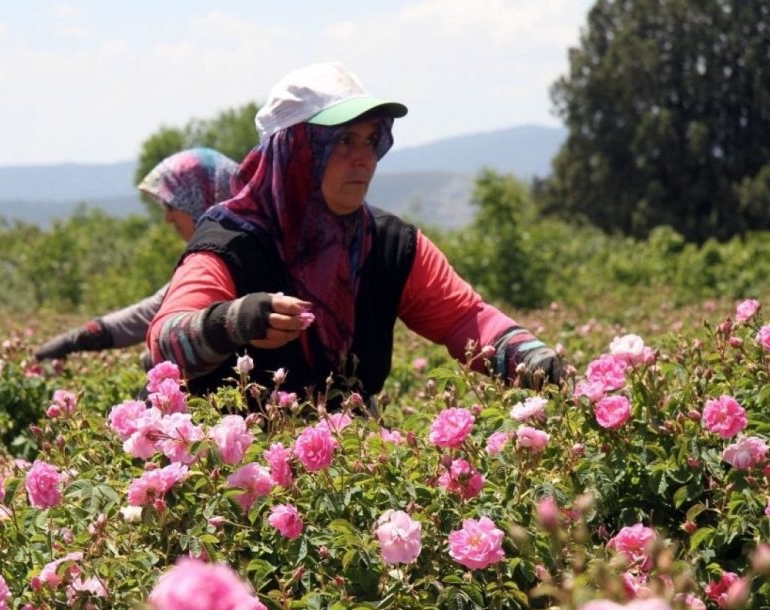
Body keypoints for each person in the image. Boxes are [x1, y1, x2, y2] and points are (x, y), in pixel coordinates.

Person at [146, 62, 562, 401]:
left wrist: (540, 363)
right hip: (226, 482)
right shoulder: (230, 245)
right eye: (344, 140)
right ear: (296, 152)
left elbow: (466, 319)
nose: (364, 158)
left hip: (342, 474)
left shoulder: (390, 246)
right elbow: (165, 345)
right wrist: (233, 320)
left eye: (371, 139)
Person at [33, 147, 239, 361]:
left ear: (200, 198)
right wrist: (75, 340)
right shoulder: (210, 255)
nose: (167, 218)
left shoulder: (231, 254)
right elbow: (150, 312)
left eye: (171, 205)